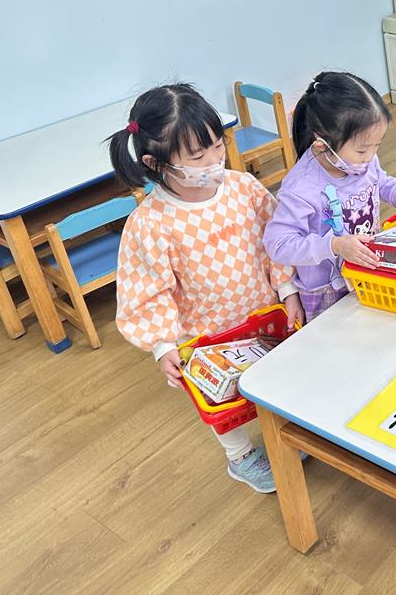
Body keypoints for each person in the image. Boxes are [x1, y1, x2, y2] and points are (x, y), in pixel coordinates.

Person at [109, 83, 303, 494]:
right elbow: (148, 291)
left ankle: (282, 430)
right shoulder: (150, 223)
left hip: (260, 311)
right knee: (221, 400)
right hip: (203, 334)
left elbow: (273, 240)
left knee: (272, 374)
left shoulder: (243, 188)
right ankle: (240, 456)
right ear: (156, 163)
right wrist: (163, 345)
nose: (214, 161)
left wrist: (287, 289)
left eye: (218, 146)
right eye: (198, 156)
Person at [264, 72, 396, 322]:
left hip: (366, 269)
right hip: (327, 290)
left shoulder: (361, 160)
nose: (371, 157)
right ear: (322, 142)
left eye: (377, 145)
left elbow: (380, 180)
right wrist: (334, 245)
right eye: (362, 149)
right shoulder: (301, 188)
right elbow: (278, 245)